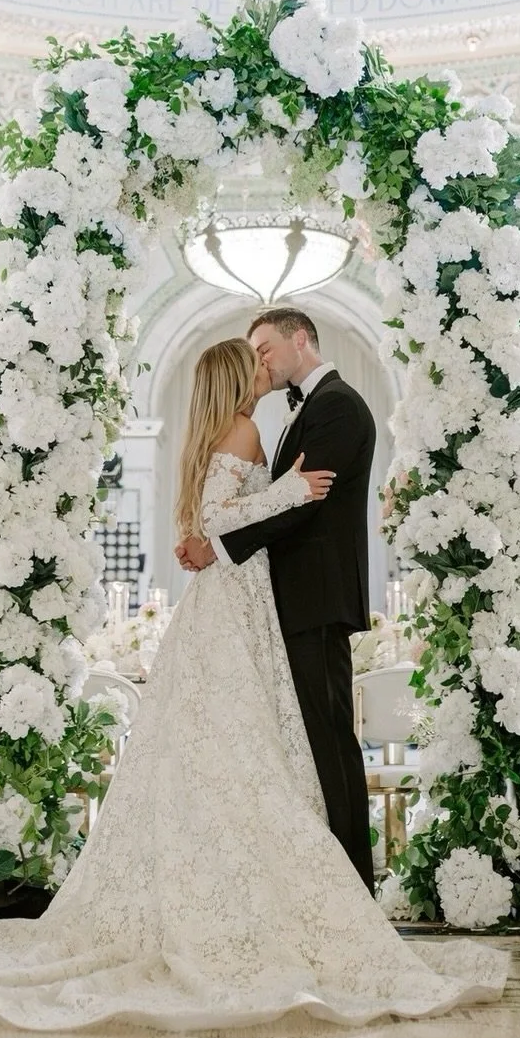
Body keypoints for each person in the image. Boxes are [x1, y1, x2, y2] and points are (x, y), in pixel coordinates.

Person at [0, 338, 506, 1031]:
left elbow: (214, 519)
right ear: (239, 376)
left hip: (239, 600)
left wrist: (258, 505)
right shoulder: (240, 428)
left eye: (269, 353)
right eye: (256, 360)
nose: (266, 366)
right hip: (232, 604)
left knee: (234, 748)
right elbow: (217, 518)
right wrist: (292, 488)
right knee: (239, 746)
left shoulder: (245, 426)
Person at [176, 306, 377, 893]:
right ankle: (316, 881)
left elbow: (305, 501)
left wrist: (217, 546)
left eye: (265, 347)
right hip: (281, 600)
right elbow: (280, 495)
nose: (259, 359)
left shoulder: (337, 405)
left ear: (300, 338)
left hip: (314, 598)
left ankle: (352, 886)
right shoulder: (295, 413)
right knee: (301, 744)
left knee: (330, 739)